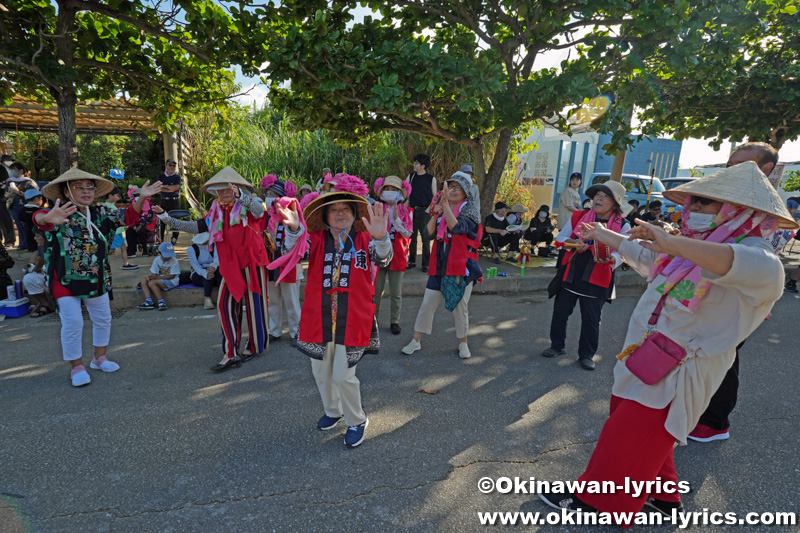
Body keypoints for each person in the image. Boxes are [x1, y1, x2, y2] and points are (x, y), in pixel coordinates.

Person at [537, 161, 795, 519]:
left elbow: (737, 263)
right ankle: (664, 496)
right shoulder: (695, 245)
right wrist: (603, 234)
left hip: (681, 369)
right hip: (647, 355)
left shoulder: (760, 259)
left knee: (628, 434)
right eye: (693, 202)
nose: (693, 210)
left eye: (704, 203)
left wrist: (674, 242)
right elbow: (644, 256)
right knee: (639, 428)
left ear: (738, 211)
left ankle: (598, 503)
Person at [272, 175, 391, 448]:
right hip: (319, 316)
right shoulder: (314, 239)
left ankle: (357, 419)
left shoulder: (365, 239)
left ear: (354, 213)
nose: (340, 214)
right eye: (334, 210)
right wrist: (293, 231)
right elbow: (293, 252)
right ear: (325, 216)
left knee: (343, 374)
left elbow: (385, 258)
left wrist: (382, 237)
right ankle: (333, 410)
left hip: (353, 317)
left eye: (345, 209)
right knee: (320, 371)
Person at [33, 168, 162, 387]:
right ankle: (77, 366)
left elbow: (128, 217)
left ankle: (99, 358)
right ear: (66, 192)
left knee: (103, 318)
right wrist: (48, 217)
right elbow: (39, 219)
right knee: (72, 322)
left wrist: (142, 198)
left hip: (97, 277)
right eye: (78, 187)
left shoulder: (103, 212)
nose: (85, 191)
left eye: (89, 186)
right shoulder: (58, 212)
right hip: (64, 278)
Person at [689, 141, 780, 443]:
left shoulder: (762, 205)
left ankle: (714, 422)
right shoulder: (730, 197)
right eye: (730, 163)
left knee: (723, 354)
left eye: (743, 164)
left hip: (739, 285)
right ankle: (698, 414)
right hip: (711, 283)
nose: (733, 169)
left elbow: (755, 258)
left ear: (765, 169)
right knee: (707, 352)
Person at [145, 166, 270, 372]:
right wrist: (166, 218)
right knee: (223, 304)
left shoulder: (249, 204)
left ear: (237, 187)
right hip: (229, 265)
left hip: (252, 261)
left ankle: (255, 345)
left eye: (228, 187)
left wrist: (241, 198)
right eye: (219, 189)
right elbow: (194, 227)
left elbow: (259, 213)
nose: (224, 192)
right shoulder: (216, 211)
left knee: (255, 304)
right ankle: (230, 353)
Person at [543, 180, 630, 371]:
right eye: (597, 194)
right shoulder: (580, 216)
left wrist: (611, 259)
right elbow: (561, 238)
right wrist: (575, 243)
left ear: (614, 203)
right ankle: (557, 345)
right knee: (560, 313)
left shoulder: (622, 225)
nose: (598, 198)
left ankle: (587, 355)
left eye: (605, 196)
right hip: (573, 272)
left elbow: (624, 251)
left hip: (598, 276)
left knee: (591, 320)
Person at [402, 172, 483, 360]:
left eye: (457, 187)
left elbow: (458, 229)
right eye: (450, 186)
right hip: (439, 266)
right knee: (427, 303)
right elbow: (428, 234)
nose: (452, 190)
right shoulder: (440, 208)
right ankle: (416, 340)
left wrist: (445, 206)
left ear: (466, 192)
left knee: (460, 306)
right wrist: (436, 213)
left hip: (462, 267)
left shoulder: (470, 211)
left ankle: (463, 343)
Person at [260, 174, 304, 346]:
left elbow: (300, 237)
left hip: (290, 264)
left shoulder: (293, 215)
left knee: (292, 301)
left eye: (275, 194)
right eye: (268, 193)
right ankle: (274, 330)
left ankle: (296, 332)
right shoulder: (265, 217)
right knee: (273, 300)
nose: (271, 197)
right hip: (270, 262)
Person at [373, 175, 413, 335]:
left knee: (396, 293)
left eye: (394, 189)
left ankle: (394, 321)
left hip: (398, 254)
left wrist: (396, 219)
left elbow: (407, 233)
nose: (390, 192)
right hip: (378, 253)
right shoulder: (376, 208)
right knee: (375, 292)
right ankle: (372, 321)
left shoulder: (407, 211)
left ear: (400, 192)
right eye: (387, 189)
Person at [405, 154, 436, 272]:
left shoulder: (431, 179)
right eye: (414, 163)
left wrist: (429, 209)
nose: (414, 165)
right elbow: (405, 192)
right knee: (411, 239)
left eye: (417, 163)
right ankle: (411, 261)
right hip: (412, 210)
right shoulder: (411, 176)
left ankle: (425, 264)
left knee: (425, 239)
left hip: (425, 211)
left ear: (423, 166)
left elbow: (434, 196)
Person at [137, 242, 180, 311]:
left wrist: (157, 278)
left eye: (170, 255)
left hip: (171, 281)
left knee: (152, 283)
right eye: (166, 256)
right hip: (160, 280)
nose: (168, 258)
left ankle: (161, 301)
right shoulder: (157, 260)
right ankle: (149, 301)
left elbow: (172, 276)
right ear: (159, 253)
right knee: (143, 280)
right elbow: (155, 273)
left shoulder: (174, 261)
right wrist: (150, 276)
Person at [102, 187, 137, 270]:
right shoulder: (107, 206)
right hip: (115, 231)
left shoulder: (110, 205)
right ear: (111, 195)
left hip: (117, 230)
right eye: (117, 195)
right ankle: (102, 261)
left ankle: (126, 263)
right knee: (111, 250)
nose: (119, 198)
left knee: (123, 246)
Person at [187, 232, 220, 310]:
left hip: (212, 269)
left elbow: (217, 259)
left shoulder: (214, 246)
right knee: (207, 276)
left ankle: (222, 295)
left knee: (220, 272)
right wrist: (205, 273)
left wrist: (213, 267)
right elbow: (196, 266)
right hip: (198, 273)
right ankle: (207, 298)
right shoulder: (191, 249)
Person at [125, 186, 157, 257]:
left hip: (147, 223)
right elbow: (130, 218)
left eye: (139, 195)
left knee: (141, 231)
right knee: (129, 231)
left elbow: (150, 217)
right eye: (136, 196)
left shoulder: (150, 206)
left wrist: (141, 224)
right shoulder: (132, 207)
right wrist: (134, 226)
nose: (138, 197)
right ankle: (131, 251)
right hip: (135, 223)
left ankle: (145, 250)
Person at [156, 159, 182, 245]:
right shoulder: (160, 176)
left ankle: (174, 238)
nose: (172, 167)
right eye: (170, 165)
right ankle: (161, 239)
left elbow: (176, 187)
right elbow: (158, 187)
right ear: (166, 166)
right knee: (162, 220)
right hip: (164, 201)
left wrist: (165, 188)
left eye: (173, 165)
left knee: (175, 220)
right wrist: (169, 188)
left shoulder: (177, 177)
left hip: (174, 201)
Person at [20, 188, 44, 264]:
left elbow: (20, 219)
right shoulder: (38, 211)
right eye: (41, 199)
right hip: (38, 232)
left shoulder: (22, 209)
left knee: (32, 249)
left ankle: (32, 263)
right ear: (36, 199)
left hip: (28, 231)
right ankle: (35, 264)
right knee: (40, 248)